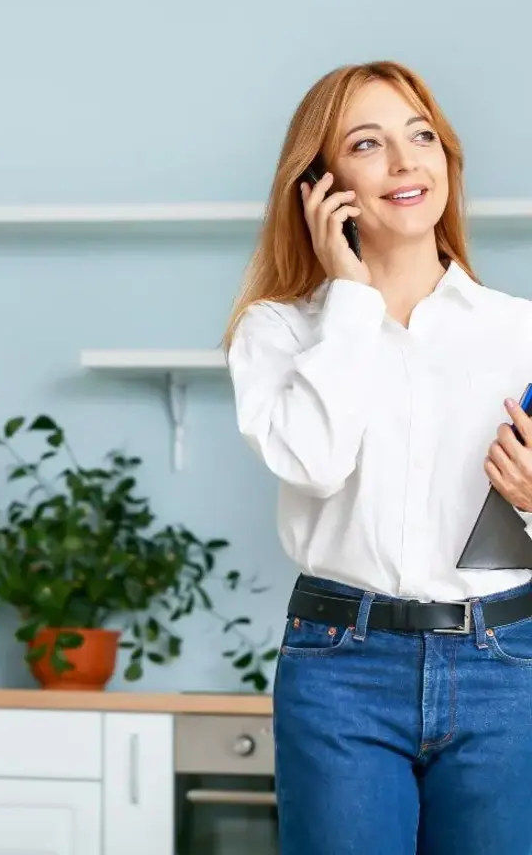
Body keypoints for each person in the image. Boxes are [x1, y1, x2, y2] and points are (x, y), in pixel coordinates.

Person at [223, 59, 532, 855]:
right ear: (321, 186)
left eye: (421, 136)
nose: (405, 161)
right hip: (342, 669)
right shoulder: (278, 332)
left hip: (507, 664)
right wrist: (352, 298)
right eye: (369, 143)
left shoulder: (519, 333)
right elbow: (317, 462)